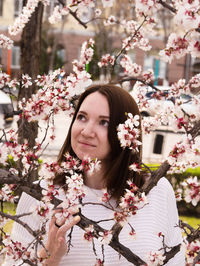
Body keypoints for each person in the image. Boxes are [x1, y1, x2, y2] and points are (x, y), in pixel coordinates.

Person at [3, 84, 185, 266]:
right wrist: (50, 258)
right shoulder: (41, 195)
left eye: (103, 122)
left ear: (127, 134)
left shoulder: (156, 191)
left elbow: (175, 261)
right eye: (82, 117)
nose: (87, 131)